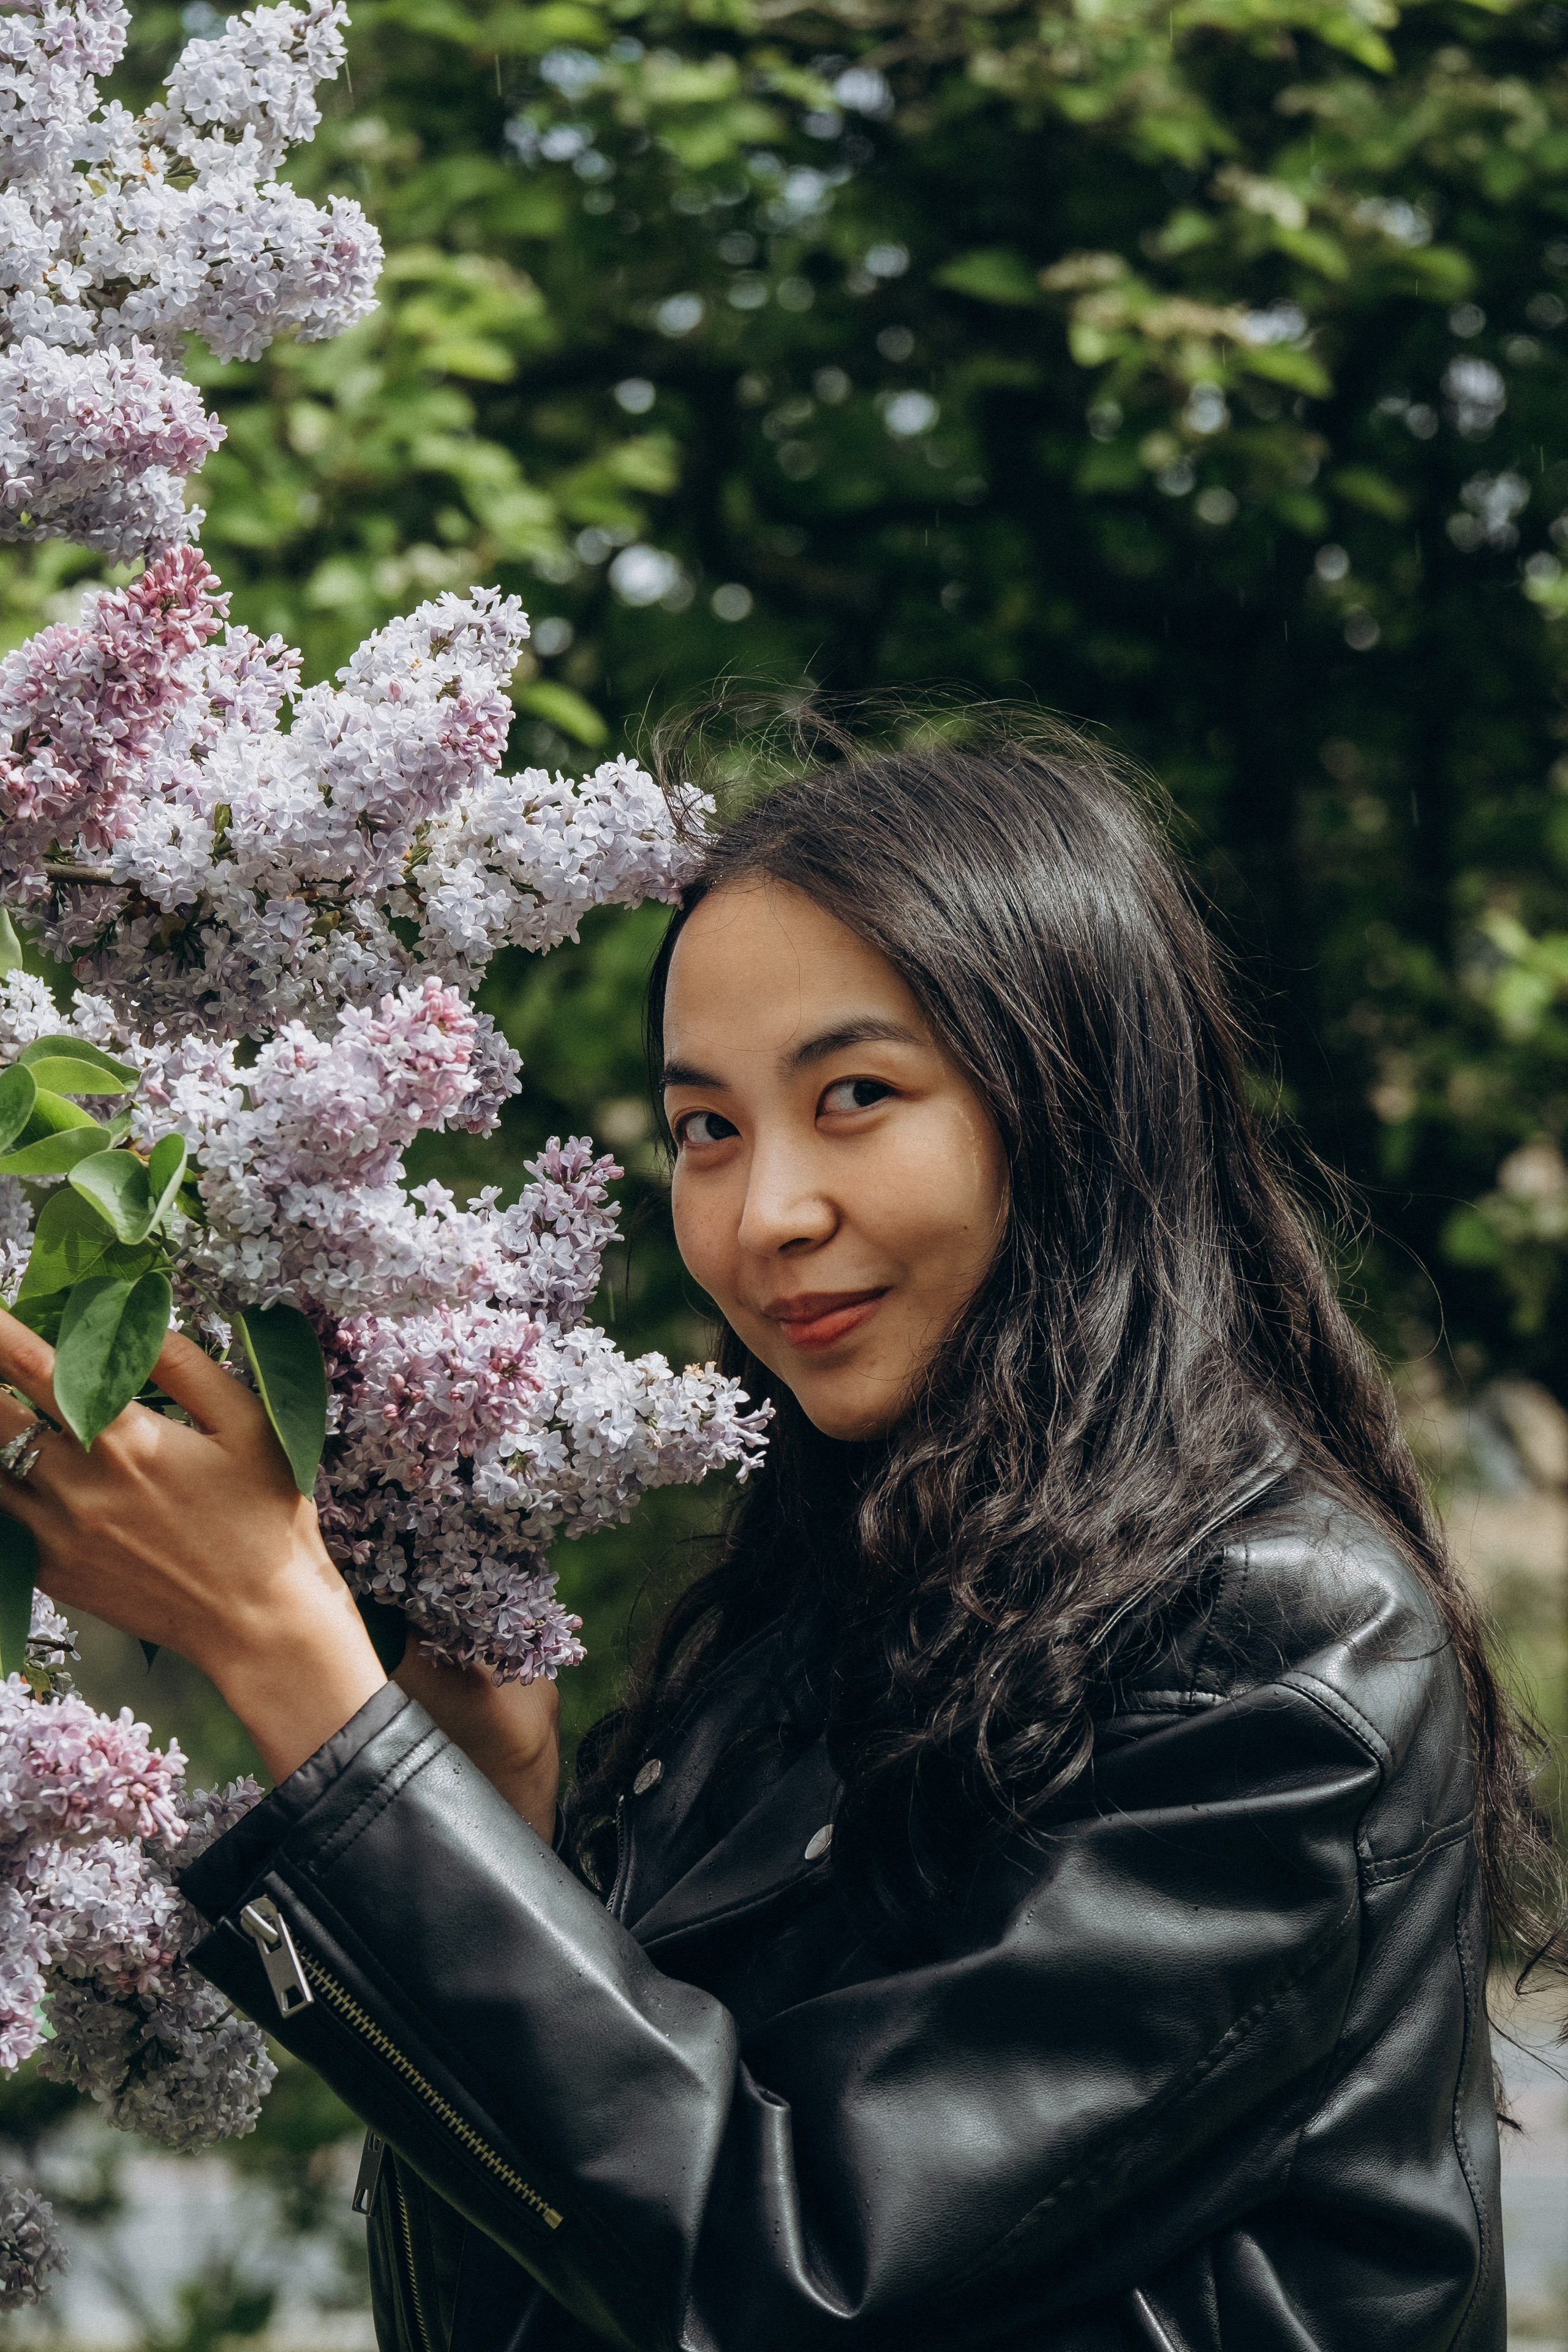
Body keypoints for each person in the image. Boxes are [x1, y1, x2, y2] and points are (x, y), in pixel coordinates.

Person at [0, 727, 1558, 2352]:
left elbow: (788, 2280)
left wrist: (283, 1647)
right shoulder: (813, 1623)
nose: (765, 1217)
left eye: (857, 1097)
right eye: (708, 1130)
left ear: (1077, 1105)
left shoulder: (1272, 1642)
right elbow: (541, 2298)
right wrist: (502, 1831)